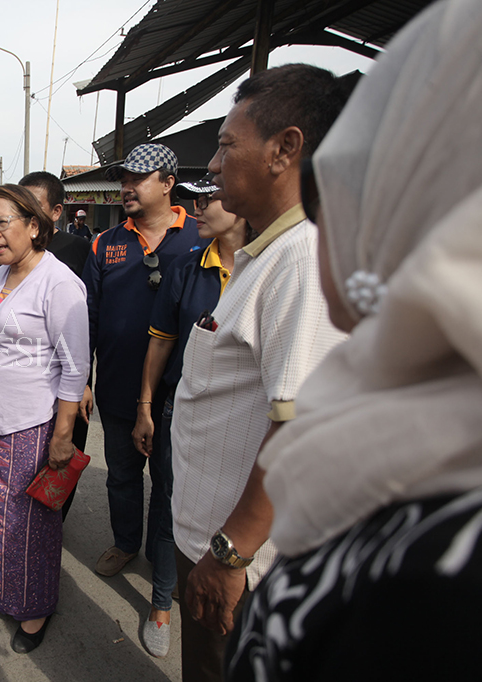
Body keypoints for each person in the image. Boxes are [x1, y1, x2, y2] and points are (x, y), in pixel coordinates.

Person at [226, 2, 482, 677]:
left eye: (334, 195)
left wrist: (229, 551)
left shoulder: (442, 583)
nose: (325, 227)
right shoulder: (407, 422)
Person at [171, 64, 357, 682]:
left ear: (284, 149)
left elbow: (303, 427)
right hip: (212, 539)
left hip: (237, 559)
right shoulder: (267, 255)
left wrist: (232, 554)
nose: (213, 165)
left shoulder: (300, 260)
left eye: (227, 145)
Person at [0, 184, 89, 653]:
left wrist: (63, 436)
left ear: (33, 225)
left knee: (27, 527)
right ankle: (1, 586)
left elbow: (75, 368)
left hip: (28, 427)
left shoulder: (58, 284)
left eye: (2, 222)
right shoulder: (4, 273)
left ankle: (34, 608)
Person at [129, 173, 249, 658]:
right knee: (171, 505)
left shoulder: (270, 268)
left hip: (246, 418)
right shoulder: (186, 268)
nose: (197, 208)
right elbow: (160, 344)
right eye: (193, 200)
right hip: (183, 409)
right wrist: (145, 408)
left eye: (207, 199)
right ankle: (162, 603)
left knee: (235, 512)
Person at [82, 143, 204, 578]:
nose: (127, 187)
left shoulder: (201, 237)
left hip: (180, 392)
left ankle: (163, 558)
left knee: (172, 483)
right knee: (122, 476)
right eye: (124, 179)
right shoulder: (105, 243)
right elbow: (88, 317)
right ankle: (126, 543)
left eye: (138, 178)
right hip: (118, 387)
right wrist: (83, 380)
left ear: (168, 183)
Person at [18, 171, 92, 520]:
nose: (26, 214)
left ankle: (53, 527)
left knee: (60, 458)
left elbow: (88, 318)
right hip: (27, 379)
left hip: (69, 373)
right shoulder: (11, 252)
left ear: (57, 211)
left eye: (34, 206)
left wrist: (85, 381)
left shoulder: (79, 250)